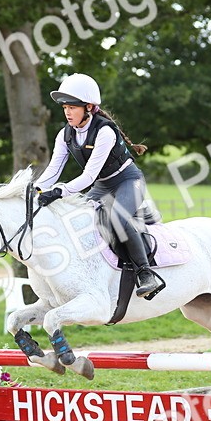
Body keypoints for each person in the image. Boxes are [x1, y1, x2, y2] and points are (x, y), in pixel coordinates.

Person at [34, 73, 164, 298]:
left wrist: (58, 192)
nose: (67, 112)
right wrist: (34, 190)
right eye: (65, 107)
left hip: (127, 181)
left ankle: (146, 273)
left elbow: (88, 175)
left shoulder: (104, 131)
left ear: (89, 108)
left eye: (72, 107)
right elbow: (54, 170)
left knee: (118, 219)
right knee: (75, 219)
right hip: (103, 186)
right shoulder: (64, 135)